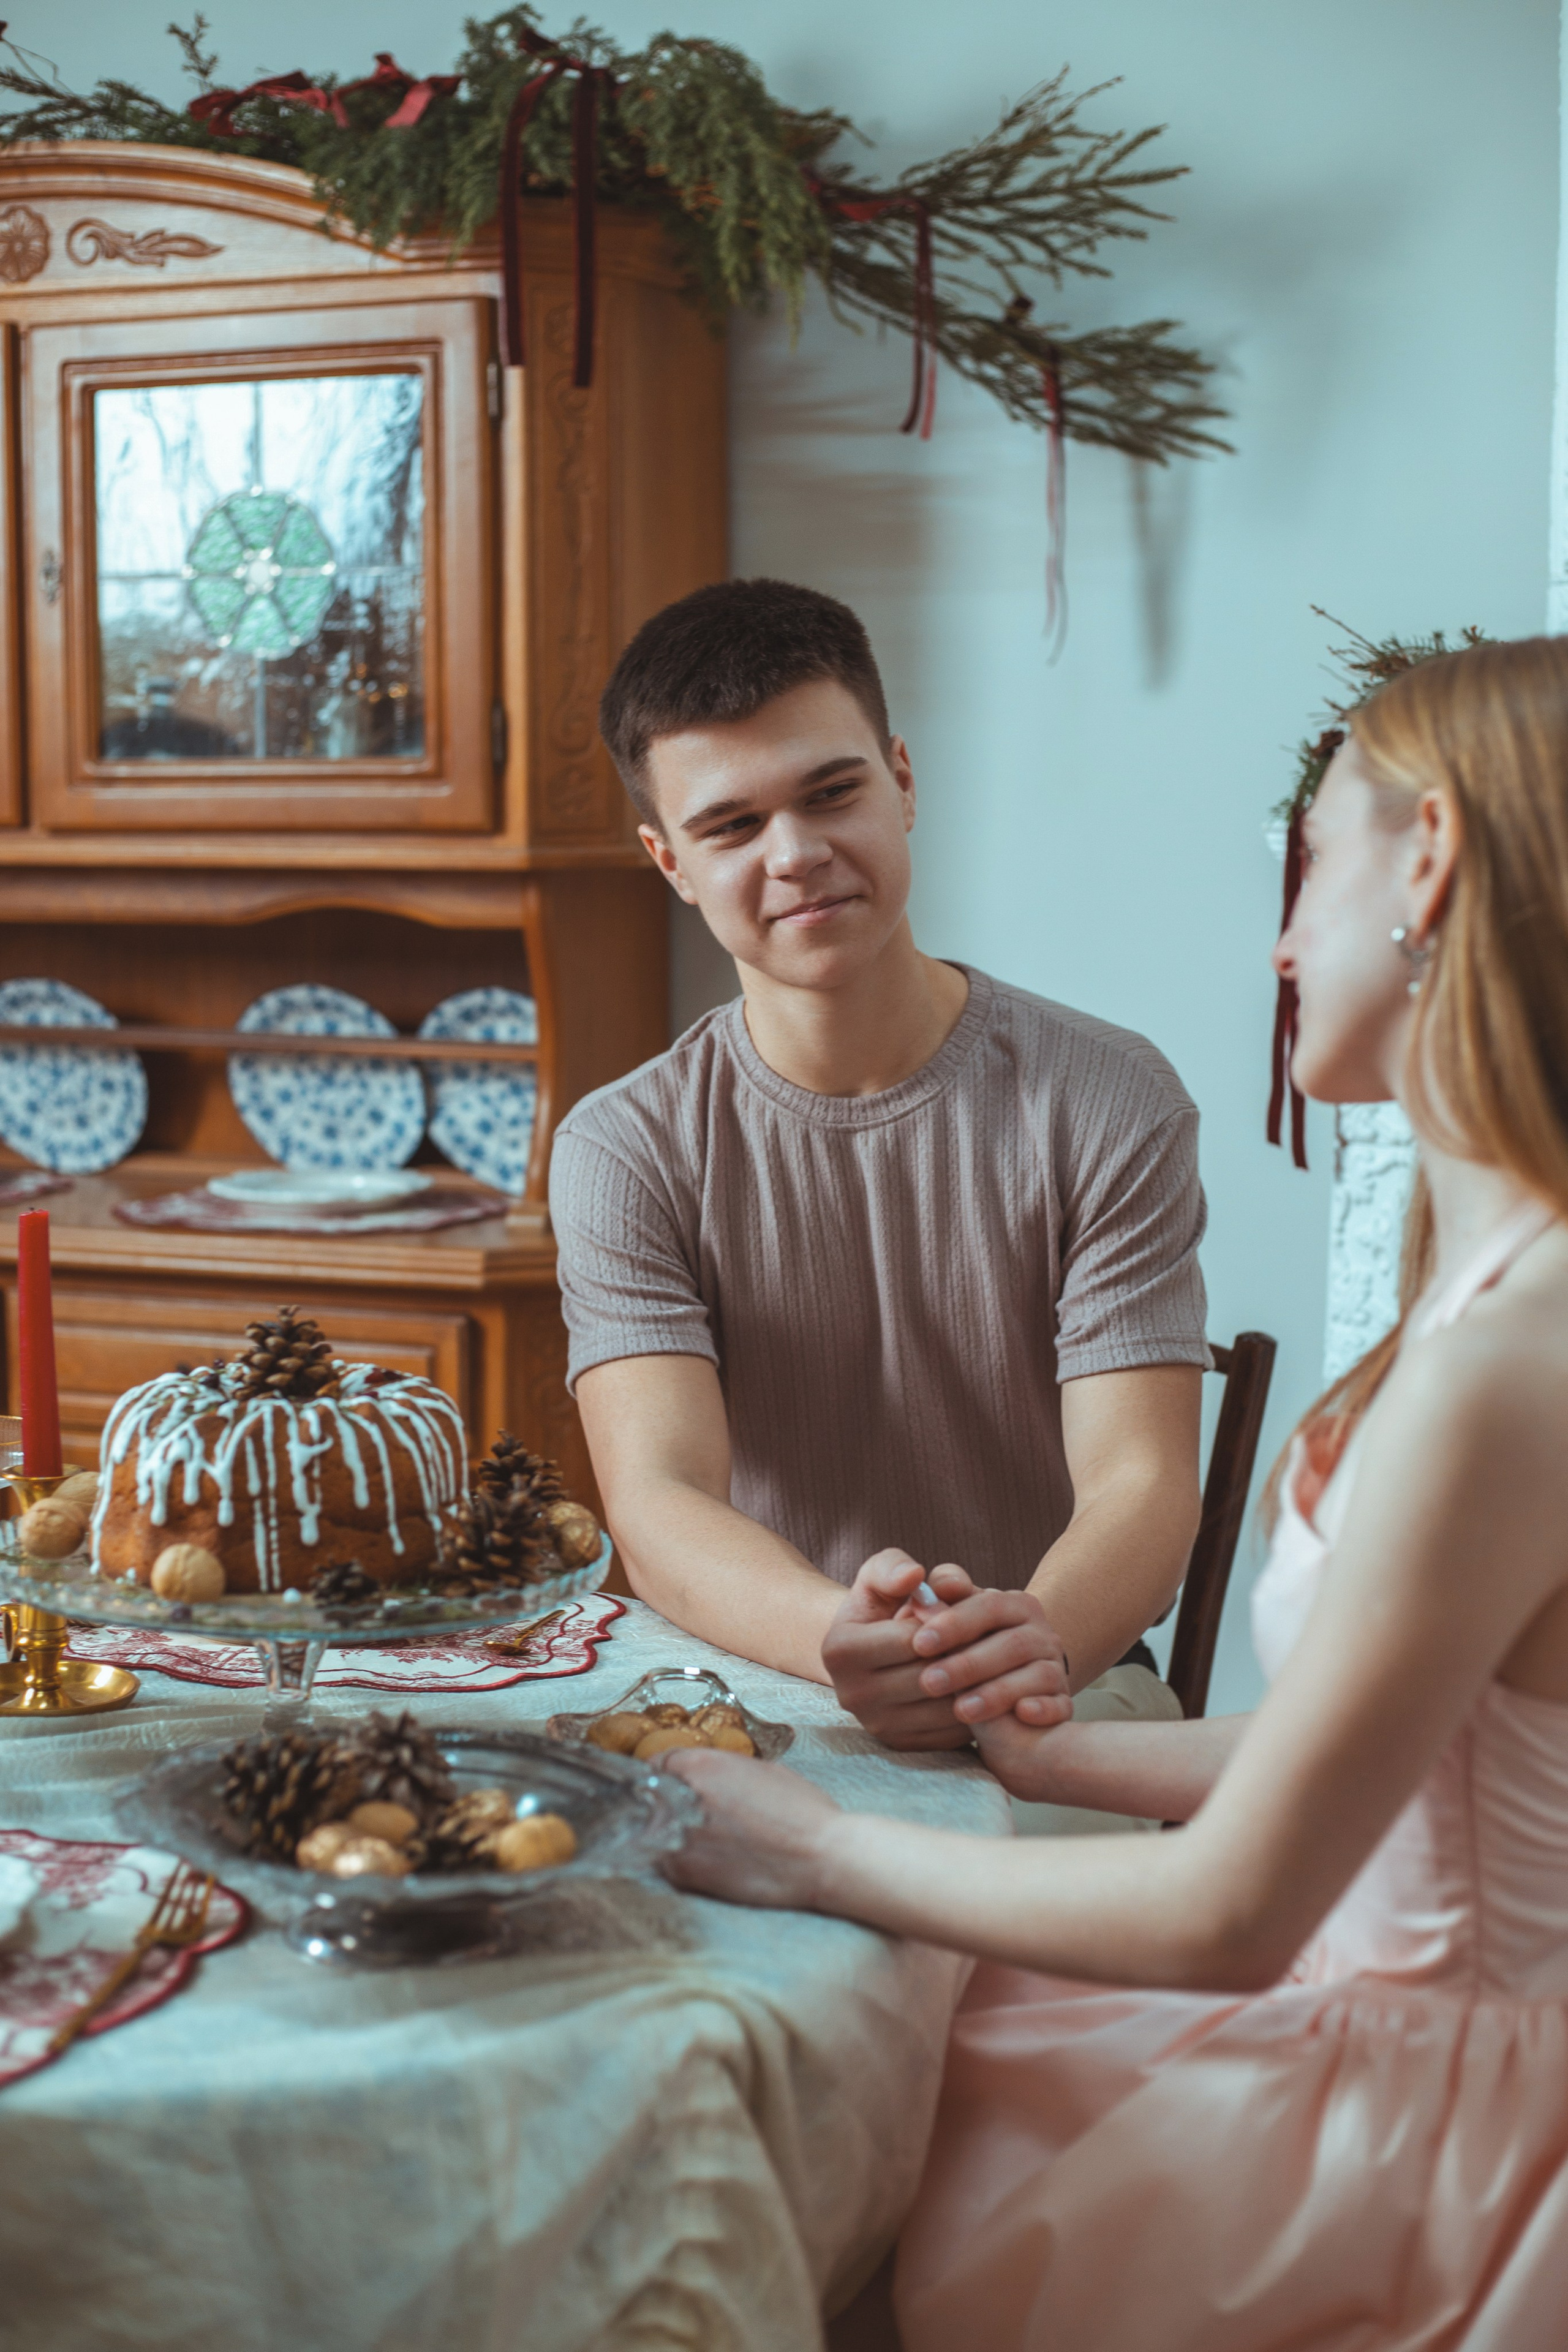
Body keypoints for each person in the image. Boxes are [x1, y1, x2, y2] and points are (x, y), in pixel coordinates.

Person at [663, 635, 1568, 2348]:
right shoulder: (1491, 1301)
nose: (1284, 938)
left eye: (1308, 866)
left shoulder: (1506, 1371)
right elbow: (1403, 1752)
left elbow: (1235, 1916)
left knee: (857, 2146)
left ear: (1430, 863)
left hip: (1449, 2134)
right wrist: (1050, 1751)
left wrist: (821, 1849)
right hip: (1417, 2028)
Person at [550, 578, 1210, 1750]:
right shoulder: (623, 1145)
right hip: (752, 1687)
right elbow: (659, 1503)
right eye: (732, 825)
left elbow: (1140, 1488)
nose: (796, 854)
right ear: (670, 862)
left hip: (1064, 1678)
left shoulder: (1109, 1096)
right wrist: (834, 1640)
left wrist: (1018, 1646)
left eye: (832, 792)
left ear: (902, 781)